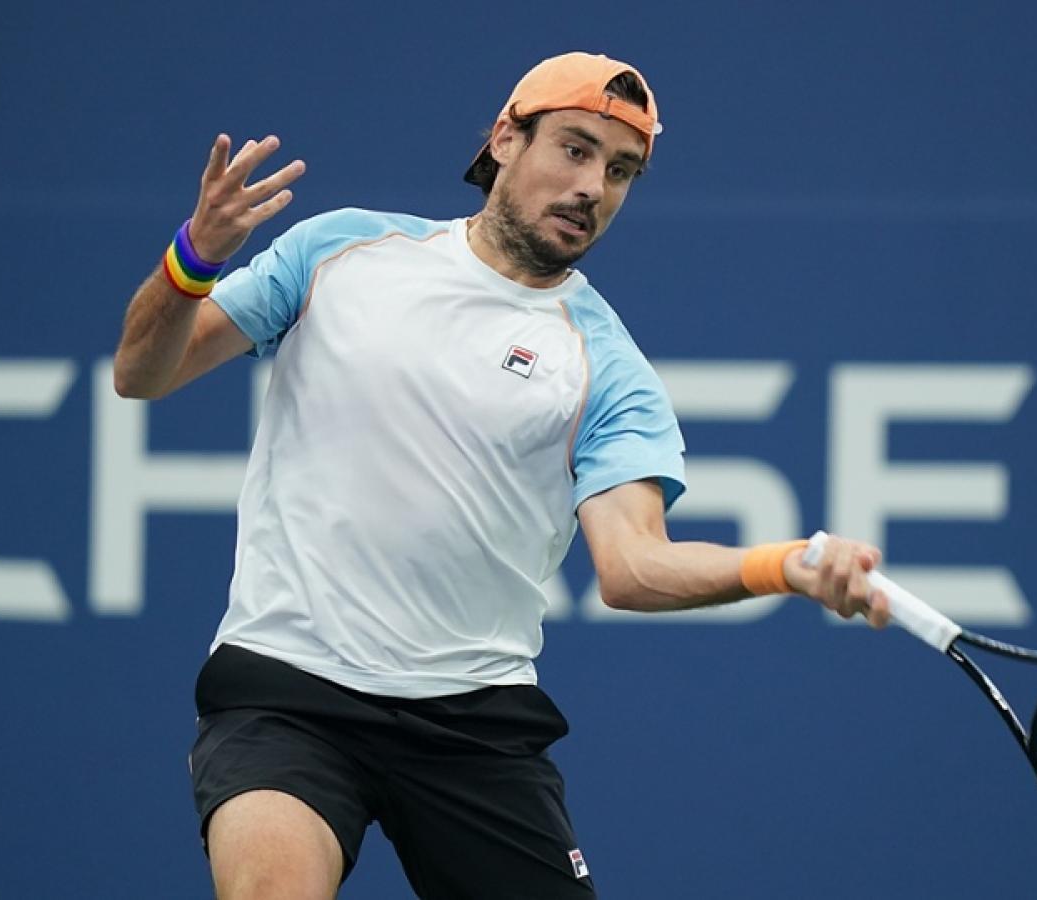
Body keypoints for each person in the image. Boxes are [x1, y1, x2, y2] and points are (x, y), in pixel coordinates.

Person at [112, 51, 890, 900]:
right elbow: (143, 374)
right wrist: (195, 258)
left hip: (472, 725)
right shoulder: (340, 252)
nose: (594, 187)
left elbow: (632, 569)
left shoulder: (609, 370)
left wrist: (787, 567)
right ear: (505, 139)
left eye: (622, 171)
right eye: (576, 149)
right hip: (287, 690)